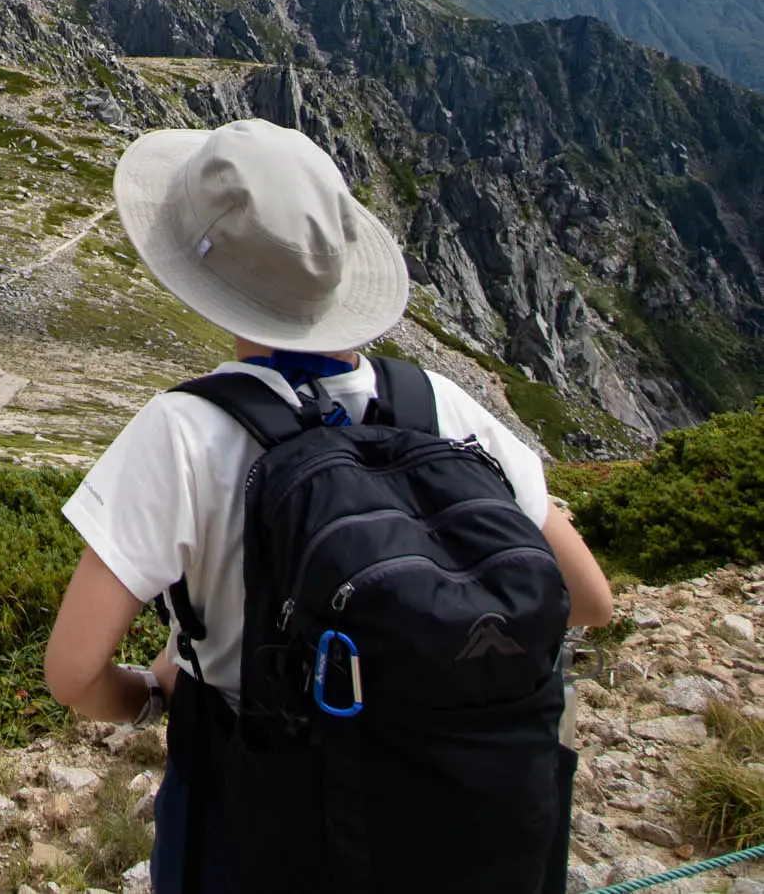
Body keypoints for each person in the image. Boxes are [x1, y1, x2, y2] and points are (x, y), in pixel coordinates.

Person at [44, 119, 612, 893]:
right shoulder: (440, 404)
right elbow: (589, 600)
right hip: (466, 822)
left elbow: (73, 674)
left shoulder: (181, 431)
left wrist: (153, 697)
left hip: (264, 820)